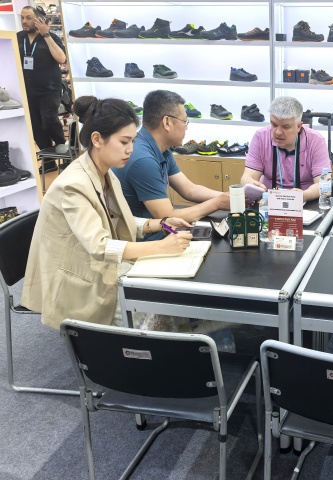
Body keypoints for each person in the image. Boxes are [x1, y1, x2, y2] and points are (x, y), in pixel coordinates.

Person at [22, 96, 193, 330]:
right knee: (159, 302)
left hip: (97, 266)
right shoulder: (73, 185)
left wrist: (160, 224)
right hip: (79, 280)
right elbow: (100, 246)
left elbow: (119, 218)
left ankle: (176, 340)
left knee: (167, 291)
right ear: (97, 139)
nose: (130, 149)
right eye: (124, 142)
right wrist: (161, 247)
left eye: (132, 141)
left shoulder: (104, 172)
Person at [113, 90, 230, 240]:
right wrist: (217, 203)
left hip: (159, 231)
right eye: (184, 122)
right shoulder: (143, 160)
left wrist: (227, 197)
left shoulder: (161, 148)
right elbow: (167, 216)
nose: (186, 127)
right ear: (167, 122)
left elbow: (189, 189)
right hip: (144, 240)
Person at [241, 96, 331, 201]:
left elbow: (324, 185)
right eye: (274, 125)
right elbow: (247, 177)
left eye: (285, 127)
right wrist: (250, 184)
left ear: (299, 126)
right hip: (268, 201)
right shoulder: (260, 137)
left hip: (305, 202)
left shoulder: (316, 141)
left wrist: (302, 196)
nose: (278, 132)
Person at [17, 6, 67, 151]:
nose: (24, 21)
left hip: (49, 90)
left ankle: (64, 150)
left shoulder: (51, 37)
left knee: (49, 120)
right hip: (27, 91)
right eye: (22, 17)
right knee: (36, 127)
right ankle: (48, 159)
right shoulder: (18, 37)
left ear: (39, 20)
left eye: (28, 18)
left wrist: (46, 35)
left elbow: (61, 58)